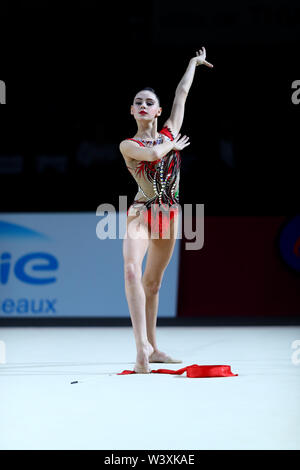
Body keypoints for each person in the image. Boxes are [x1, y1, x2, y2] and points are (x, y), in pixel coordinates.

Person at [119, 47, 214, 373]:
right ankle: (140, 349)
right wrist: (171, 144)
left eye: (150, 102)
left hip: (169, 216)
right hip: (140, 213)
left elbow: (182, 94)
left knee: (154, 284)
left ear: (157, 111)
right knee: (132, 271)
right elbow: (153, 156)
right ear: (132, 111)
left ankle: (155, 346)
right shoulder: (129, 145)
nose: (144, 105)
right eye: (138, 102)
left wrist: (193, 64)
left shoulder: (170, 130)